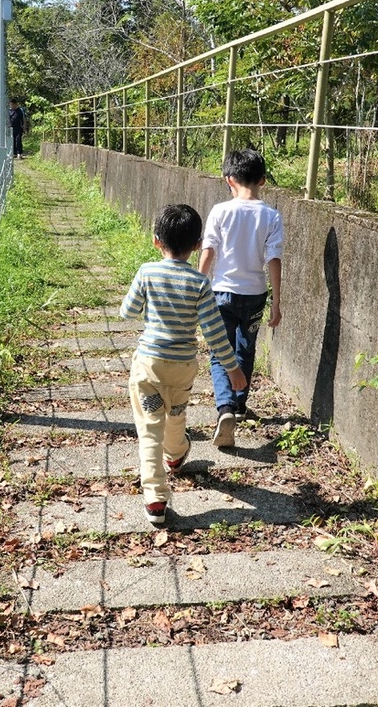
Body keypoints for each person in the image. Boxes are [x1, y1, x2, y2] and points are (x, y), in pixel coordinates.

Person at [120, 204, 247, 526]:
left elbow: (127, 311)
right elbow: (215, 331)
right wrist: (233, 368)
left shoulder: (147, 272)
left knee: (150, 429)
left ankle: (155, 498)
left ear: (155, 241)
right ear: (196, 245)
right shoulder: (200, 283)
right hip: (182, 367)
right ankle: (176, 454)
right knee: (175, 413)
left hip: (149, 367)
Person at [199, 148, 284, 449]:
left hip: (221, 292)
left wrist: (198, 285)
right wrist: (276, 301)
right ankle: (239, 405)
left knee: (219, 352)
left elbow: (209, 250)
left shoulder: (221, 211)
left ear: (228, 180)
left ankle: (225, 409)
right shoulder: (271, 215)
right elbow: (273, 259)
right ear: (263, 180)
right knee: (246, 350)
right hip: (255, 296)